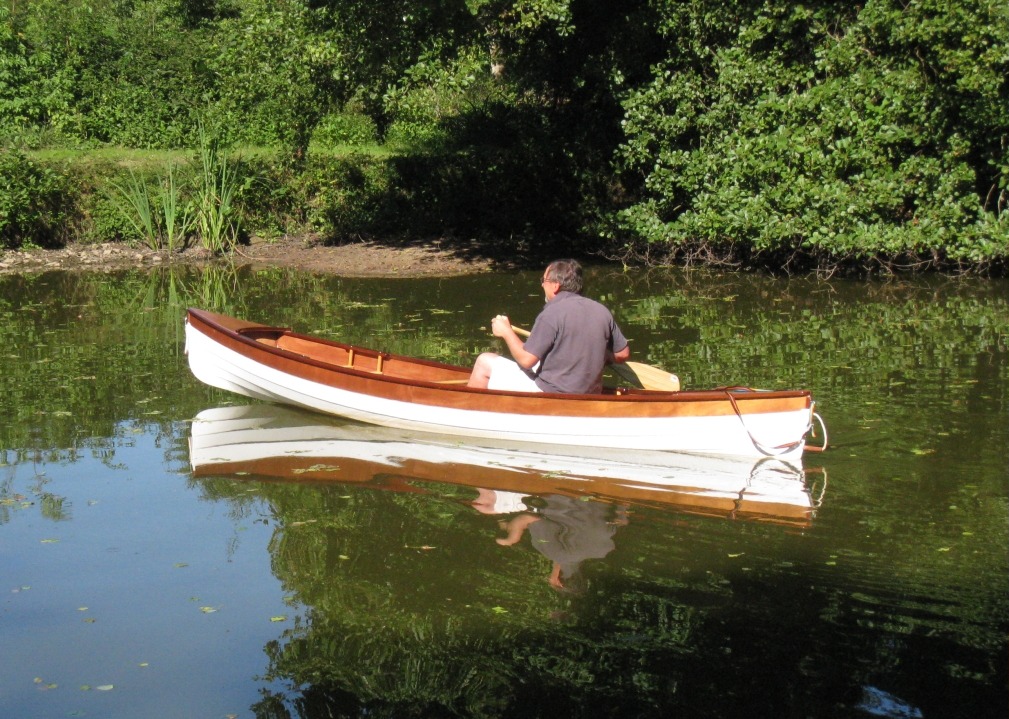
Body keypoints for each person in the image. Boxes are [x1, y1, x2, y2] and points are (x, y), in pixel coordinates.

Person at [467, 259, 630, 393]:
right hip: (588, 395)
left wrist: (506, 332)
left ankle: (470, 415)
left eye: (543, 281)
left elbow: (526, 360)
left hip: (551, 394)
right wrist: (597, 352)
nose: (542, 286)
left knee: (484, 361)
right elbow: (622, 354)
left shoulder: (552, 313)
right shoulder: (601, 311)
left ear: (555, 285)